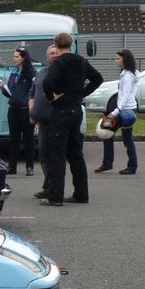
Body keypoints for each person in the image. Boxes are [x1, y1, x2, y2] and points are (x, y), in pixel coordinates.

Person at [40, 33, 103, 206]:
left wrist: (51, 97)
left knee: (57, 154)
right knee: (76, 154)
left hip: (61, 110)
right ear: (71, 44)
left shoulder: (59, 63)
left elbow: (48, 83)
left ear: (56, 45)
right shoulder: (81, 61)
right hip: (76, 109)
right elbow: (98, 79)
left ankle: (55, 196)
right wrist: (81, 93)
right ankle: (81, 193)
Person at [97, 50, 140, 174]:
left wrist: (116, 111)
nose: (116, 61)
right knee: (114, 134)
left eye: (118, 59)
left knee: (110, 132)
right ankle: (112, 164)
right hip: (127, 110)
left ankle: (126, 166)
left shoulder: (127, 76)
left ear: (125, 60)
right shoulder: (127, 73)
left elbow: (125, 95)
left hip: (126, 112)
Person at [0, 48, 36, 175]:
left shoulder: (32, 73)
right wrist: (3, 88)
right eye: (14, 56)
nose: (14, 59)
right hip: (13, 109)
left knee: (28, 139)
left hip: (26, 109)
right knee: (14, 139)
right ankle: (12, 167)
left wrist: (31, 107)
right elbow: (11, 93)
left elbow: (34, 91)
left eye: (17, 56)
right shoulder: (14, 73)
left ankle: (29, 167)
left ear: (23, 58)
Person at [28, 45, 60, 194]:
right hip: (42, 122)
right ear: (47, 57)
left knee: (55, 156)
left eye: (57, 53)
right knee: (43, 156)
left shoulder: (63, 73)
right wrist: (32, 112)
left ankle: (52, 188)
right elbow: (32, 94)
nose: (54, 55)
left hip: (57, 121)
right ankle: (48, 185)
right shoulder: (41, 73)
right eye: (52, 53)